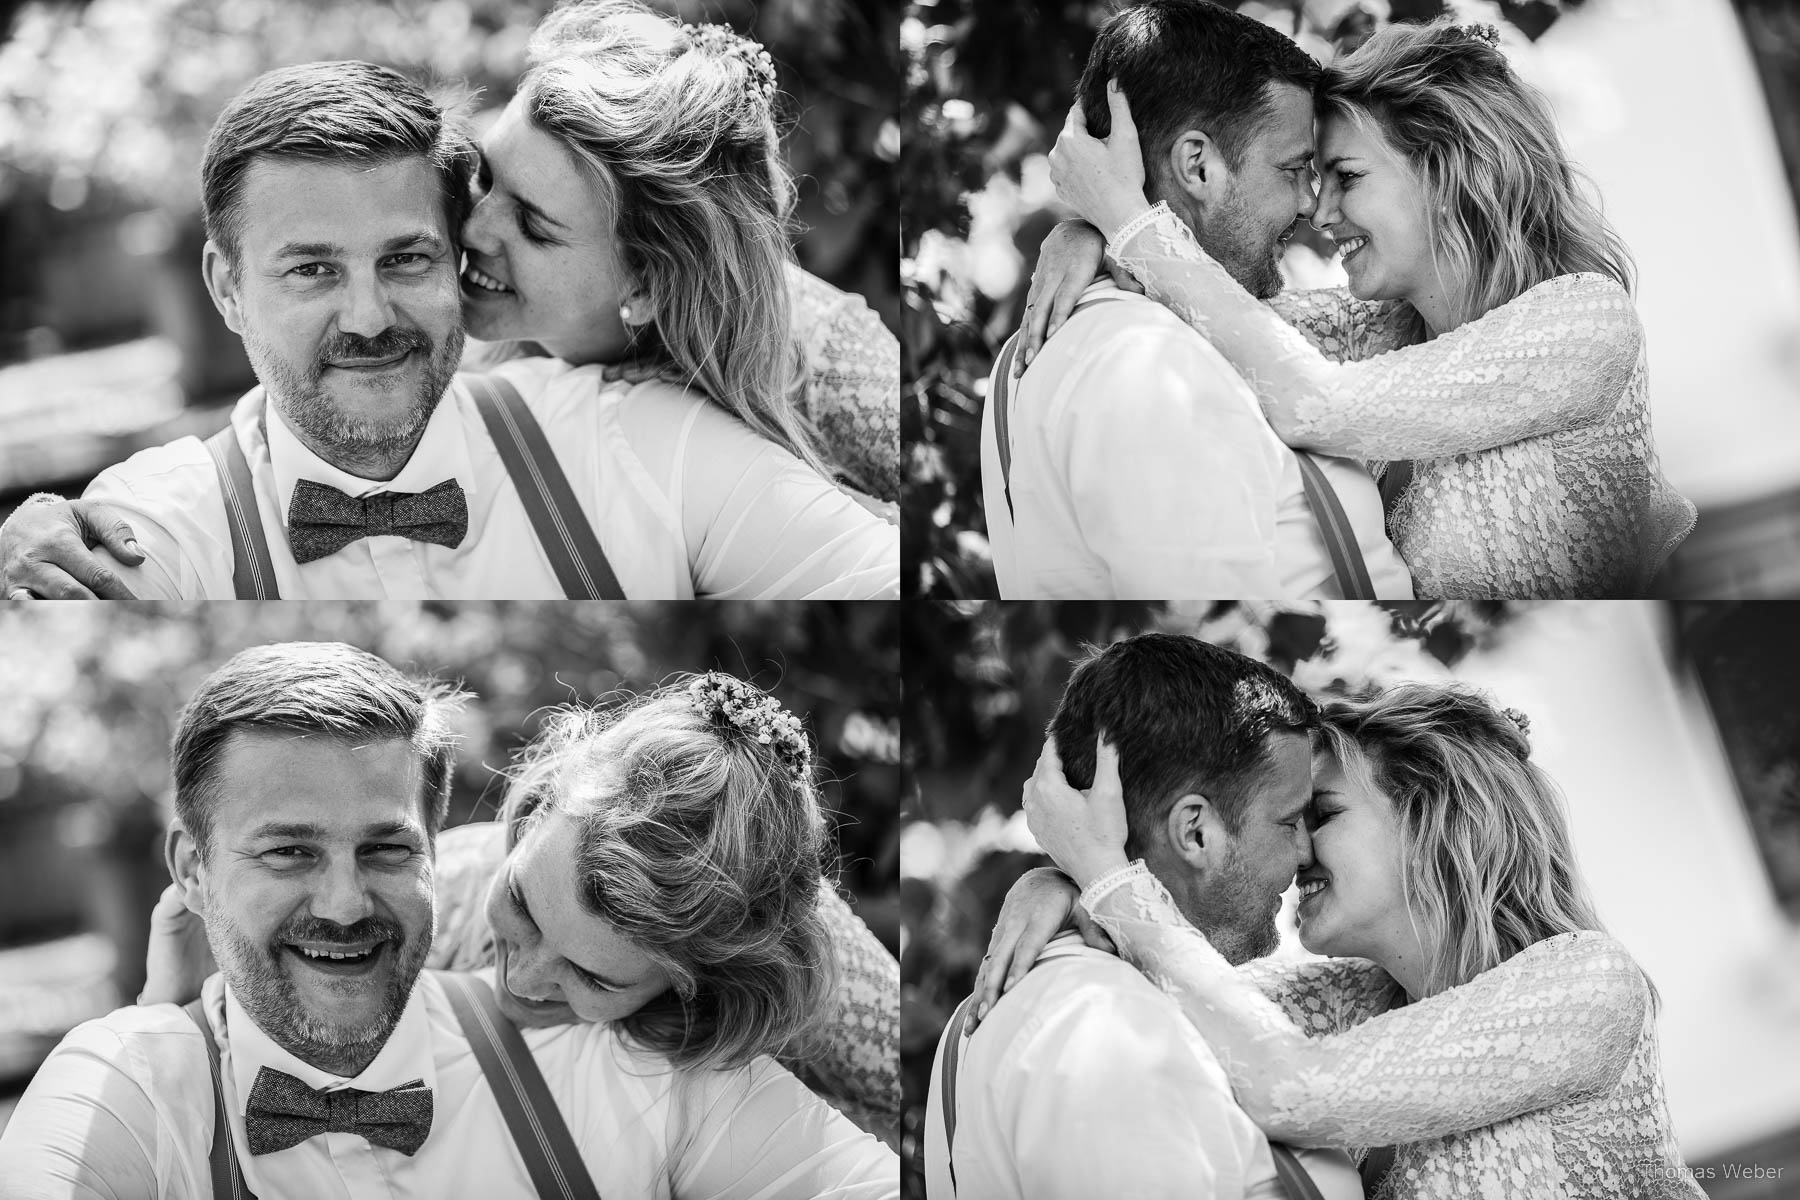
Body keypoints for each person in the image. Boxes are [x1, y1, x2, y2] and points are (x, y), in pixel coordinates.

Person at [0, 0, 896, 600]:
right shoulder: (171, 515)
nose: (473, 233)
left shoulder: (806, 376)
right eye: (485, 179)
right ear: (224, 288)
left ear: (647, 284)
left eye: (536, 226)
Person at [0, 643, 898, 1199]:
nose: (526, 980)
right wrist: (165, 1043)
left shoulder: (652, 1066)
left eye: (387, 852)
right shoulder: (129, 1083)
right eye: (288, 853)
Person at [1025, 18, 1694, 598]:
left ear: (1448, 170)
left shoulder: (1589, 325)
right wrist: (1087, 227)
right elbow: (1203, 309)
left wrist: (1122, 217)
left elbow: (1317, 404)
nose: (1319, 209)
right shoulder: (1371, 330)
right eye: (1312, 178)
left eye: (1346, 177)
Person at [980, 681, 1704, 1198]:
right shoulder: (1349, 998)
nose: (1295, 854)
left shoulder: (1590, 985)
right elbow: (1171, 987)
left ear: (1431, 821)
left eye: (1317, 813)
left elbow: (1294, 1090)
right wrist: (1063, 881)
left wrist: (1105, 876)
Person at [979, 0, 1412, 601]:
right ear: (1198, 166)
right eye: (1292, 169)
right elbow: (1207, 626)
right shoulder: (1150, 365)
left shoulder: (1092, 339)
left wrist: (1100, 227)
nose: (1311, 205)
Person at [923, 633, 1363, 1199]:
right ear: (1195, 832)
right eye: (1288, 821)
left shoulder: (1049, 999)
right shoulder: (1112, 1031)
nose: (1306, 852)